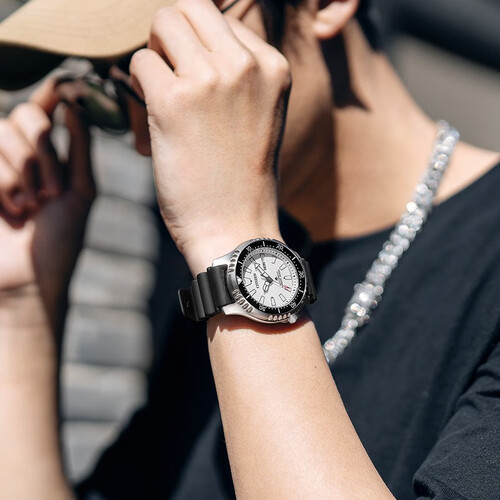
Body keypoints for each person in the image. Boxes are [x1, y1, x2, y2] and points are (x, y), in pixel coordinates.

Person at [0, 0, 499, 498]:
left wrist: (231, 235)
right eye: (109, 92)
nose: (143, 141)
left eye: (168, 59)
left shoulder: (228, 256)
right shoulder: (223, 279)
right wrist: (22, 307)